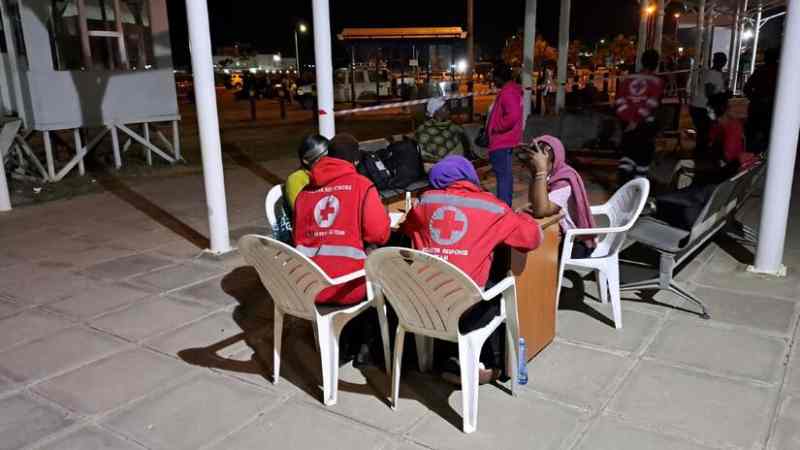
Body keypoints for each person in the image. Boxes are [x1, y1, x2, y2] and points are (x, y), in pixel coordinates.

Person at [401, 155, 542, 385]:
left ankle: (446, 357)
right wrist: (516, 215)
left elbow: (408, 227)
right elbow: (531, 238)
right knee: (497, 284)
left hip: (426, 301)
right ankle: (487, 364)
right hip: (467, 304)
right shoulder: (492, 207)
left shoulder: (424, 202)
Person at [293, 133, 391, 305]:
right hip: (347, 288)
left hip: (307, 286)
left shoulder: (304, 193)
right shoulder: (362, 186)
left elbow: (298, 237)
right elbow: (379, 235)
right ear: (355, 161)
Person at [526, 135, 597, 258]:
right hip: (561, 236)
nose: (533, 164)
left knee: (532, 247)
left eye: (538, 162)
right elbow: (534, 201)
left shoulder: (564, 181)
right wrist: (536, 175)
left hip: (575, 244)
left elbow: (540, 211)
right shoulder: (549, 175)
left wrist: (540, 173)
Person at [615, 49, 665, 184]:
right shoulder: (656, 81)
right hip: (645, 126)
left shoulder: (628, 79)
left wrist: (627, 119)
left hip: (627, 125)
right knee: (642, 161)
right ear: (656, 63)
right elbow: (651, 104)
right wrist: (635, 120)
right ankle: (637, 191)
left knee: (627, 156)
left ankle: (621, 187)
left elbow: (620, 101)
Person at [271, 135, 329, 244]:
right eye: (323, 157)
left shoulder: (330, 173)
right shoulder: (297, 179)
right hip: (310, 235)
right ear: (306, 160)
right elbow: (303, 213)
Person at [487, 62, 523, 206]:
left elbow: (512, 116)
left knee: (503, 177)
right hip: (506, 140)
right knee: (506, 177)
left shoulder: (507, 92)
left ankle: (504, 208)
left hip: (501, 141)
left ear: (499, 77)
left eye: (494, 78)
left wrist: (495, 127)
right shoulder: (512, 90)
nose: (493, 81)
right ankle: (506, 206)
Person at [689, 52, 728, 154]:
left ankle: (701, 154)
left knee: (706, 131)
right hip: (702, 107)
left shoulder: (716, 74)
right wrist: (723, 95)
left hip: (704, 107)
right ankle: (700, 155)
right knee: (704, 132)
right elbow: (709, 92)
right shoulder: (712, 74)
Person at [743, 47, 780, 153]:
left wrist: (756, 99)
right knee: (766, 137)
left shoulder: (762, 70)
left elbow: (747, 89)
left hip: (761, 109)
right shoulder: (779, 71)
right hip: (767, 110)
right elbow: (747, 88)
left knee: (754, 136)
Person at [415, 98, 468, 163]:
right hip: (436, 165)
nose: (448, 111)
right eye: (445, 109)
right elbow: (424, 154)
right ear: (436, 112)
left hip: (454, 162)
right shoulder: (425, 129)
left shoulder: (451, 126)